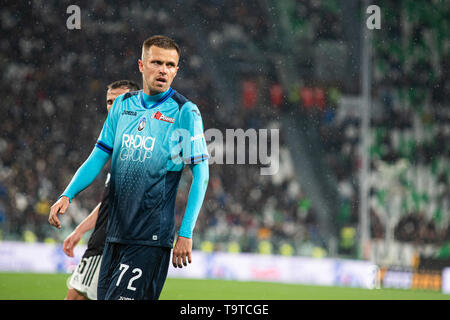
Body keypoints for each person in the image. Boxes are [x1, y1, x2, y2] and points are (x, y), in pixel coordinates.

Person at [49, 35, 210, 300]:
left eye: (170, 65)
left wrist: (186, 232)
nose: (163, 70)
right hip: (114, 235)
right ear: (141, 65)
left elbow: (201, 175)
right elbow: (97, 157)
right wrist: (68, 193)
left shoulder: (185, 111)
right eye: (156, 62)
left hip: (150, 237)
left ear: (177, 70)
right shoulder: (122, 106)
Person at [63, 80, 140, 300]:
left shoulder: (139, 149)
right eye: (109, 102)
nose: (113, 107)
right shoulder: (118, 145)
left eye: (120, 101)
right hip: (105, 241)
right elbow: (110, 202)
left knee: (75, 297)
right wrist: (80, 230)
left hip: (111, 244)